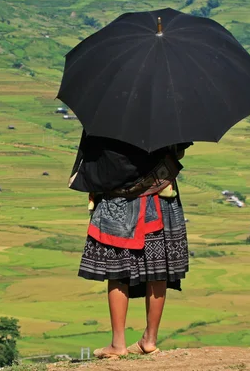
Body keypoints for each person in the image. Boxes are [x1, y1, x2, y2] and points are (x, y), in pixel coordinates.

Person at [68, 130, 192, 358]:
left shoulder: (105, 116)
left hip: (119, 202)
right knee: (158, 271)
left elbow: (95, 163)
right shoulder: (166, 110)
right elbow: (179, 150)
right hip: (160, 199)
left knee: (117, 272)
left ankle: (118, 344)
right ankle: (150, 339)